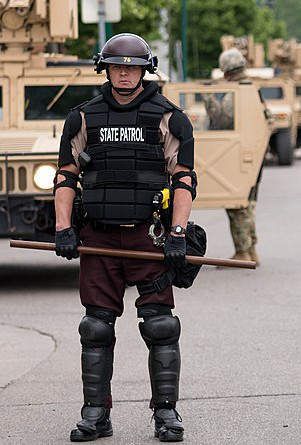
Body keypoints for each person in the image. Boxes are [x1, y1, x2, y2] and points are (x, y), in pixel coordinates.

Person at [53, 33, 197, 443]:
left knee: (161, 326)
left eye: (132, 66)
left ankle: (166, 414)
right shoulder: (82, 117)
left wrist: (178, 233)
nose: (124, 72)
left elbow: (184, 178)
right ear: (105, 67)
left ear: (145, 69)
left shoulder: (170, 117)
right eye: (117, 65)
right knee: (95, 327)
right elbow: (66, 177)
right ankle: (96, 414)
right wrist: (64, 228)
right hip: (98, 237)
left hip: (148, 239)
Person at [208, 48, 261, 265]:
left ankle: (243, 252)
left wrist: (210, 101)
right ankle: (251, 251)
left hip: (238, 154)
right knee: (247, 205)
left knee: (238, 205)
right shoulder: (251, 88)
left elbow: (223, 120)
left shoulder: (237, 91)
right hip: (252, 153)